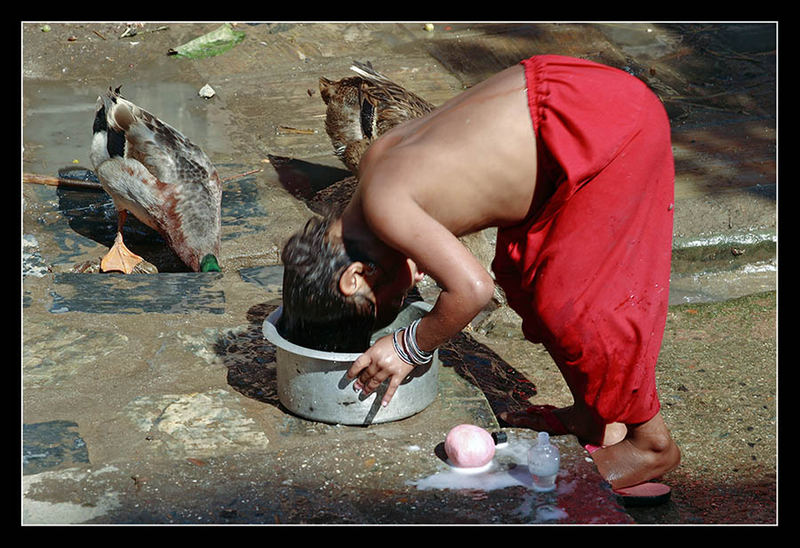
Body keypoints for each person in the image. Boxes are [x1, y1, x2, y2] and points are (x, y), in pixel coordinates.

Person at [279, 54, 680, 493]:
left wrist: (409, 345)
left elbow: (471, 289)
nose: (406, 291)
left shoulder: (384, 206)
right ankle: (591, 416)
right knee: (525, 279)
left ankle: (650, 442)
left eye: (387, 304)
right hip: (566, 100)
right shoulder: (375, 170)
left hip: (603, 129)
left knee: (579, 308)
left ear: (354, 277)